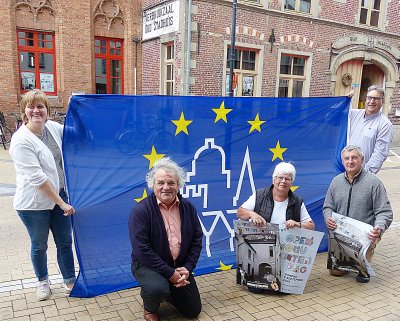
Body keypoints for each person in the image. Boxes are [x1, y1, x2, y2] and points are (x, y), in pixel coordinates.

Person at [9, 89, 76, 301]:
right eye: (31, 107)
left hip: (60, 197)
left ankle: (69, 280)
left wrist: (79, 107)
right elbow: (37, 179)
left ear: (47, 111)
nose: (36, 111)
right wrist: (62, 203)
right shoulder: (20, 141)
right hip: (33, 204)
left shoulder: (52, 129)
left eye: (41, 107)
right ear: (24, 112)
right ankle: (42, 281)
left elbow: (77, 133)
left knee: (65, 242)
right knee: (39, 245)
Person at [128, 157, 203, 321]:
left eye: (171, 183)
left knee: (193, 311)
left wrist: (187, 268)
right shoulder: (140, 211)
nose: (166, 187)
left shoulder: (188, 208)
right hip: (147, 265)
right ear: (152, 185)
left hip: (178, 265)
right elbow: (142, 250)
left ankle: (167, 288)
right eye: (160, 183)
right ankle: (150, 307)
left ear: (179, 185)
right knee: (156, 289)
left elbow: (197, 240)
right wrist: (170, 273)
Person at [323, 145, 393, 283]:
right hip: (342, 235)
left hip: (365, 236)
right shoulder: (335, 182)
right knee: (336, 272)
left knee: (361, 275)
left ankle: (364, 263)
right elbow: (327, 206)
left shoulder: (374, 182)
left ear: (362, 160)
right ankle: (349, 261)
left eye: (354, 157)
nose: (350, 161)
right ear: (343, 162)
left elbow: (384, 212)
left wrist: (378, 228)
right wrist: (328, 217)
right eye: (347, 158)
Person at [237, 162, 315, 230]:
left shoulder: (297, 201)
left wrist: (297, 224)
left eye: (287, 179)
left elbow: (311, 226)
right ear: (273, 180)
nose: (283, 181)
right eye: (280, 178)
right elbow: (240, 212)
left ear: (291, 182)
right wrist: (252, 214)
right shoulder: (259, 195)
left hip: (285, 245)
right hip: (260, 243)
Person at [347, 85, 394, 173]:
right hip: (344, 169)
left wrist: (365, 175)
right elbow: (331, 118)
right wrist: (344, 101)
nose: (372, 101)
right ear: (366, 99)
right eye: (369, 98)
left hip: (361, 173)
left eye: (376, 98)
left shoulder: (385, 125)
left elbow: (380, 154)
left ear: (382, 101)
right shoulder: (353, 114)